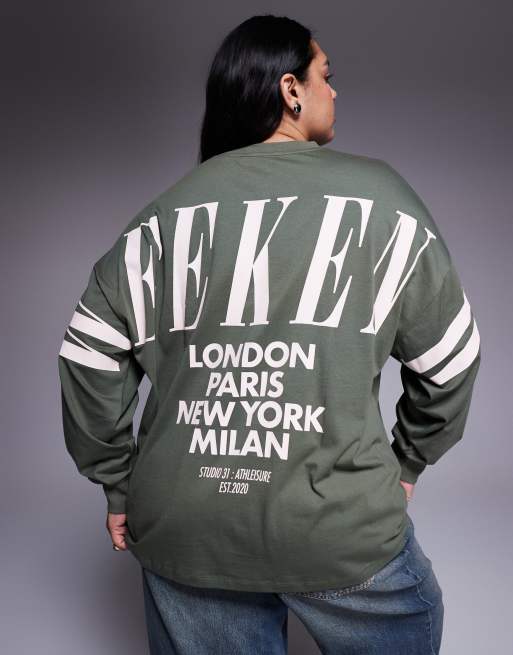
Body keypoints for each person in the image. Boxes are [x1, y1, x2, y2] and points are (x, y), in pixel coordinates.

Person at [57, 14, 481, 655]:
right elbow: (451, 360)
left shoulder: (160, 219)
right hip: (338, 524)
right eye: (325, 76)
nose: (334, 90)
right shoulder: (383, 200)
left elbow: (88, 356)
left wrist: (119, 482)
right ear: (290, 90)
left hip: (184, 525)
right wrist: (407, 460)